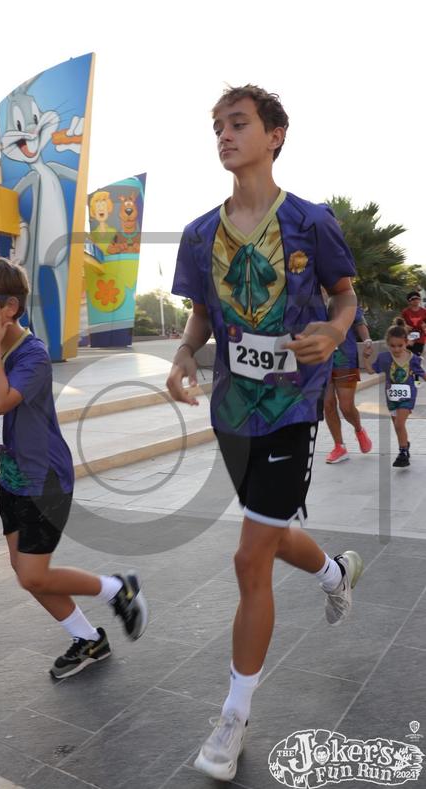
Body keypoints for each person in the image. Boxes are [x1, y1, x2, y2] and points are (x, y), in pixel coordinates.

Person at [166, 84, 364, 782]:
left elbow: (345, 295)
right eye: (217, 126)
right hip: (231, 412)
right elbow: (200, 314)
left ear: (275, 135)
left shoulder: (311, 222)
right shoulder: (199, 234)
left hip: (292, 408)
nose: (224, 135)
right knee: (270, 535)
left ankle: (234, 715)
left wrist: (334, 331)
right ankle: (336, 573)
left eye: (238, 123)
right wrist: (184, 353)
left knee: (250, 558)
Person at [0, 257, 148, 679]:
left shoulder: (33, 355)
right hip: (11, 479)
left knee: (33, 574)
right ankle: (89, 639)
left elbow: (1, 400)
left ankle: (117, 589)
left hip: (43, 480)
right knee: (27, 573)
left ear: (9, 307)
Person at [363, 319, 425, 467]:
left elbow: (422, 374)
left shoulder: (413, 359)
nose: (396, 349)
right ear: (387, 344)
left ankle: (403, 453)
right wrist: (366, 358)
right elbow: (371, 371)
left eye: (400, 346)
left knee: (399, 423)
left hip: (408, 396)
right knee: (398, 426)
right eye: (392, 346)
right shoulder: (384, 358)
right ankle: (405, 444)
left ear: (406, 343)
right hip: (392, 397)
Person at [324, 305, 373, 463]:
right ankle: (339, 447)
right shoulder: (311, 300)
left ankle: (359, 430)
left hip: (345, 359)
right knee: (328, 404)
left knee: (346, 407)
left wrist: (367, 341)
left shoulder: (346, 299)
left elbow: (360, 323)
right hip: (321, 360)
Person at [401, 291, 426, 384]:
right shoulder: (405, 312)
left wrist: (424, 326)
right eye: (413, 299)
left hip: (420, 338)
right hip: (408, 338)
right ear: (409, 301)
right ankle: (408, 378)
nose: (416, 300)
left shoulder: (424, 311)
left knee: (416, 358)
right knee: (408, 358)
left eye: (417, 298)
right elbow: (400, 322)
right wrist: (405, 326)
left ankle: (416, 379)